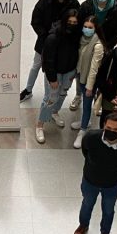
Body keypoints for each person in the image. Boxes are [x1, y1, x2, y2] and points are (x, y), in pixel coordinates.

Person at [73, 112, 117, 234]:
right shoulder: (91, 137)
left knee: (108, 210)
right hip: (90, 180)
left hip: (112, 184)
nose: (111, 132)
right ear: (103, 125)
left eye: (115, 130)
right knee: (87, 204)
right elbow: (86, 152)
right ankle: (83, 226)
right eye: (108, 128)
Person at [20, 0, 79, 102]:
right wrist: (46, 36)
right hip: (44, 40)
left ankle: (52, 97)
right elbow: (35, 21)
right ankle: (28, 90)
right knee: (36, 65)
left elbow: (76, 20)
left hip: (63, 44)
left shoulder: (73, 2)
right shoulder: (45, 0)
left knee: (53, 66)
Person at [35, 10, 81, 144]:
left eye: (75, 23)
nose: (72, 25)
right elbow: (47, 59)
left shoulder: (77, 36)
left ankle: (55, 112)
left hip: (69, 72)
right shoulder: (53, 37)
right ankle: (40, 125)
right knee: (50, 98)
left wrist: (73, 73)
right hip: (54, 73)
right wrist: (52, 78)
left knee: (62, 95)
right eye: (69, 22)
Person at [70, 17, 101, 148]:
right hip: (80, 75)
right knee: (84, 101)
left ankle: (82, 130)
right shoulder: (81, 40)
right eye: (85, 26)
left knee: (87, 104)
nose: (87, 30)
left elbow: (94, 69)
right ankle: (85, 121)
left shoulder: (97, 45)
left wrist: (90, 87)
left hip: (89, 80)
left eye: (90, 27)